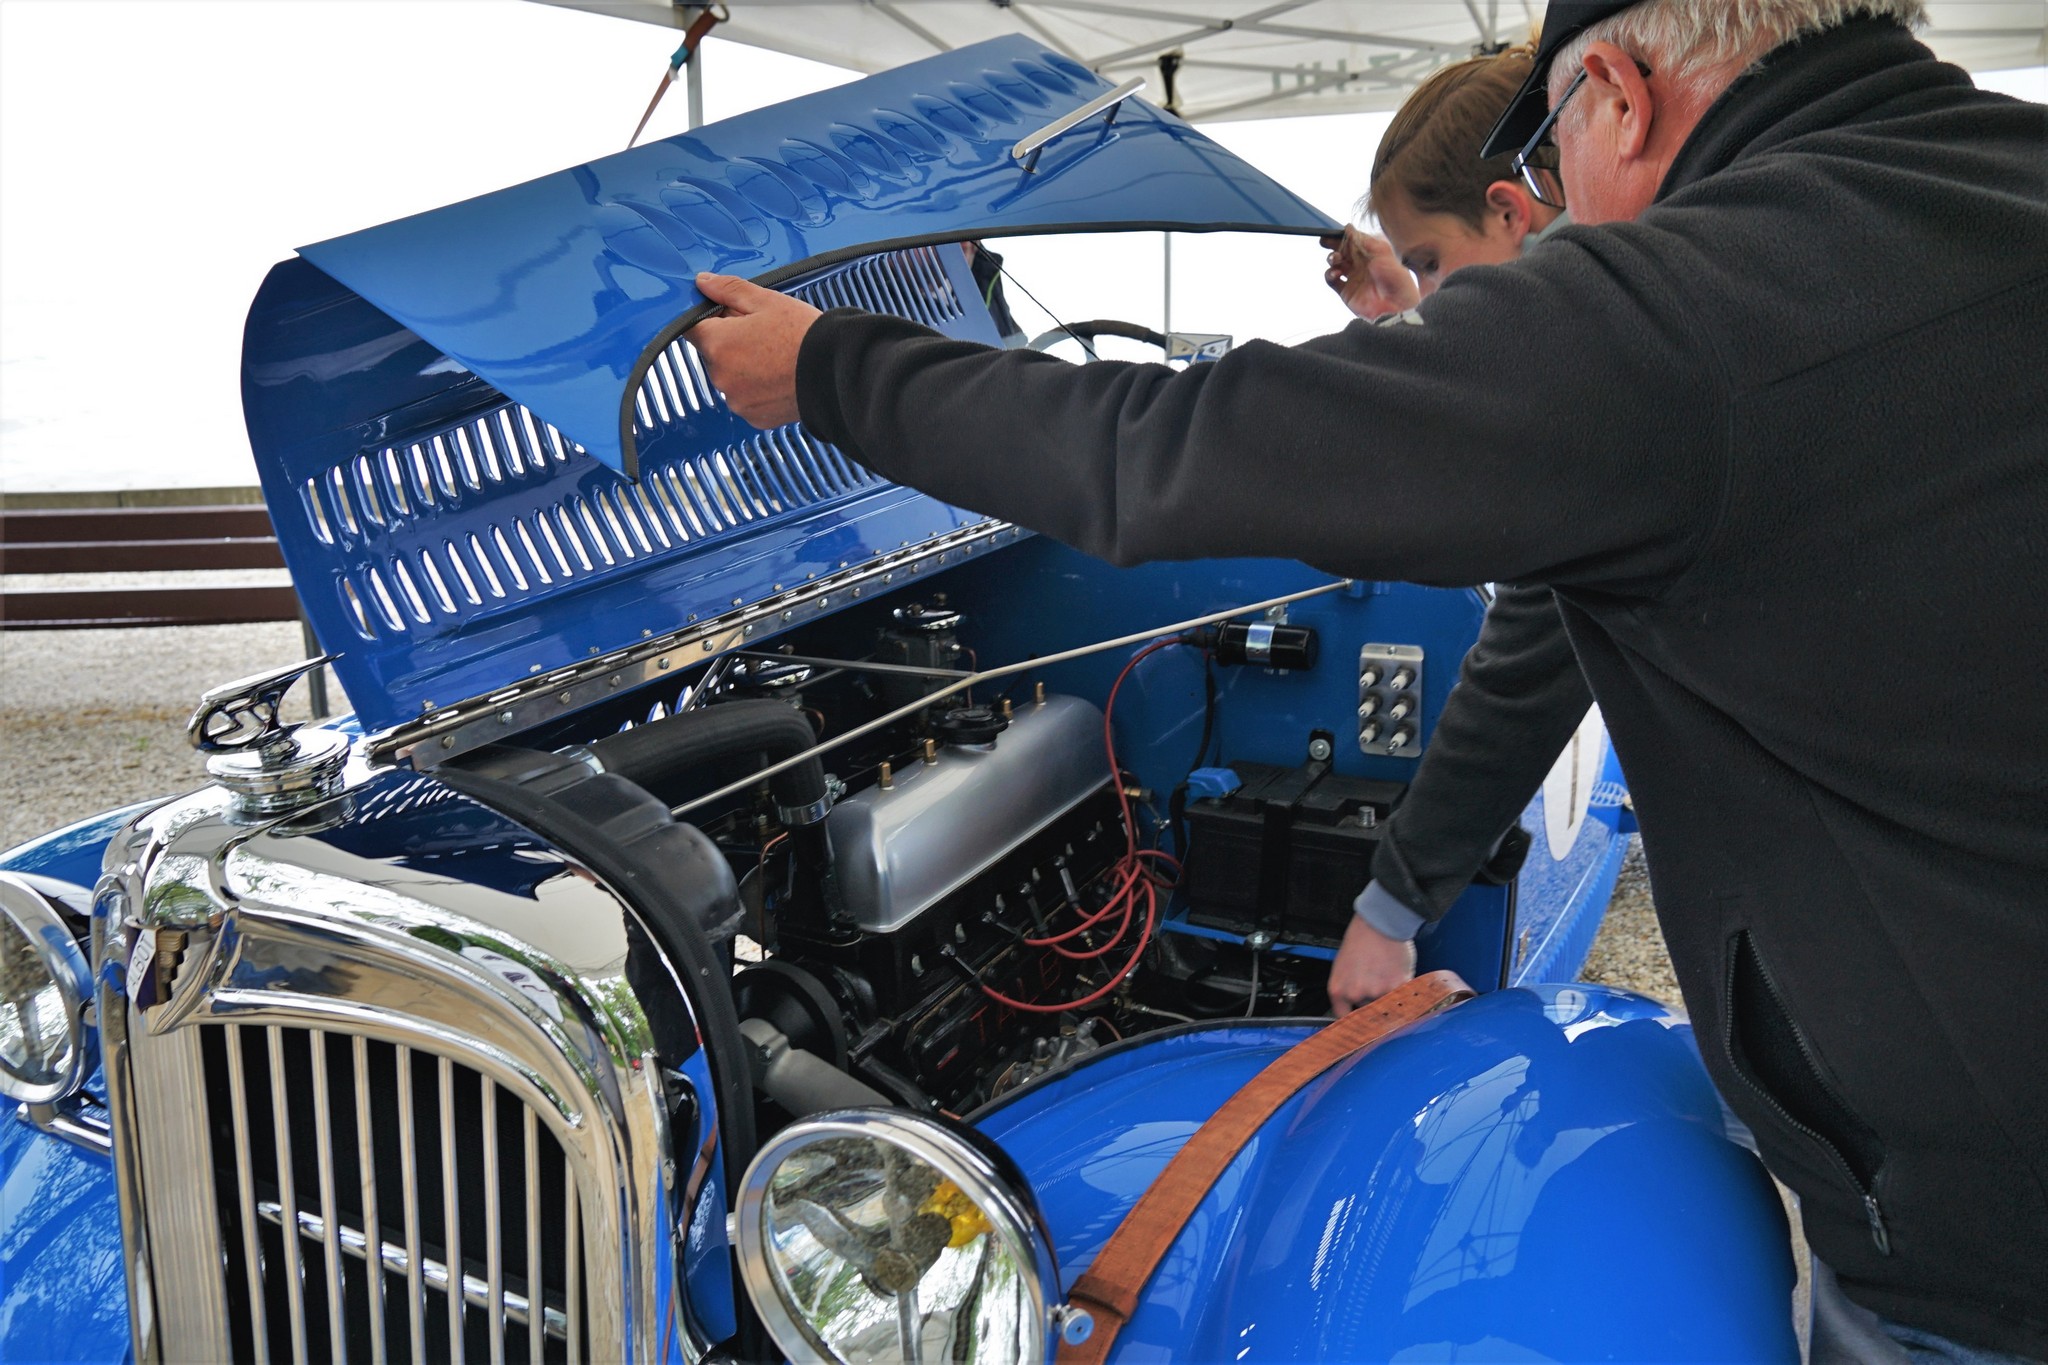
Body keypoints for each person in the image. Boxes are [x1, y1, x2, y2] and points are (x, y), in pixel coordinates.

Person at [690, 2, 2048, 1358]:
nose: (1555, 198)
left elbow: (1168, 451)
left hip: (1980, 1233)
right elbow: (1555, 615)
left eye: (1554, 142)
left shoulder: (1710, 302)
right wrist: (1401, 898)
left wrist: (827, 367)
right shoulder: (1980, 190)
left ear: (1620, 97)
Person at [1313, 43, 1607, 1015]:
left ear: (1510, 208)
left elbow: (1529, 650)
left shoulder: (1613, 385)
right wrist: (1395, 301)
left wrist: (1388, 909)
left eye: (1430, 262)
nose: (1426, 299)